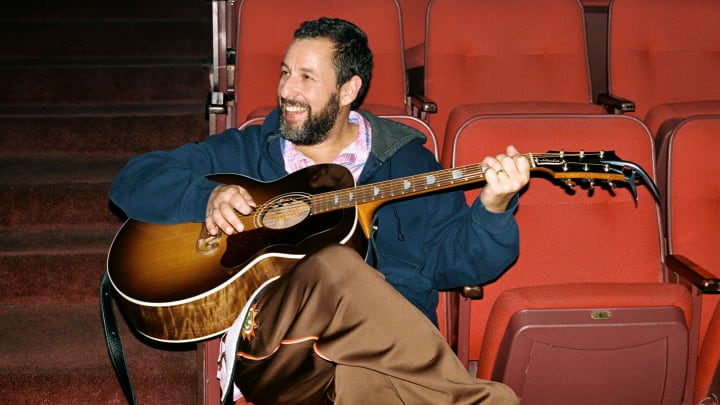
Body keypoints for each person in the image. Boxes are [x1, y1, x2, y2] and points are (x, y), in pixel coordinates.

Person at [110, 17, 530, 405]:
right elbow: (134, 178)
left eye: (306, 77)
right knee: (336, 266)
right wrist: (203, 198)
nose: (287, 90)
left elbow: (459, 265)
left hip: (379, 362)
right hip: (275, 354)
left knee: (366, 380)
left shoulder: (409, 165)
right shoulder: (246, 151)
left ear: (348, 90)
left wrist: (492, 208)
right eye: (285, 72)